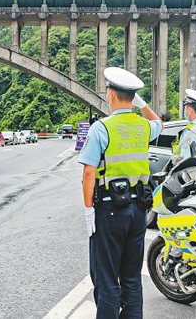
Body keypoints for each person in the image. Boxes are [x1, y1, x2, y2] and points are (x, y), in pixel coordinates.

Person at [78, 67, 162, 319]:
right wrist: (142, 104)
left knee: (106, 278)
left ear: (111, 95)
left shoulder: (101, 128)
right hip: (138, 211)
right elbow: (159, 122)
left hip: (109, 210)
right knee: (131, 277)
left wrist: (88, 211)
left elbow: (89, 174)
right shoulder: (143, 127)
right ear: (132, 97)